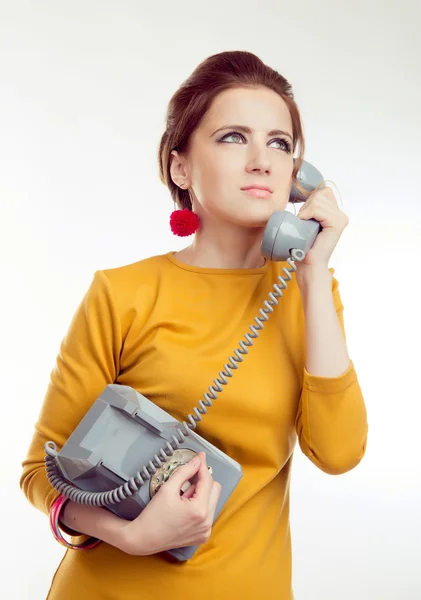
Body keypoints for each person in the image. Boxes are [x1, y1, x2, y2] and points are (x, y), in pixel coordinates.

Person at [20, 50, 368, 600]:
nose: (262, 161)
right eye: (234, 137)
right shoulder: (123, 292)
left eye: (280, 143)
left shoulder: (309, 295)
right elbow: (42, 471)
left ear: (300, 177)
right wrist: (131, 535)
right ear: (180, 166)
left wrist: (314, 272)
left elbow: (340, 452)